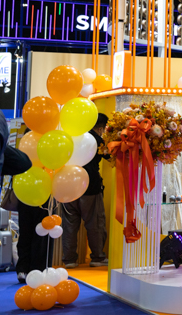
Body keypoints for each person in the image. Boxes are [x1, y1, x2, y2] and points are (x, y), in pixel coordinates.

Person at [62, 113, 109, 268]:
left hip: (67, 186)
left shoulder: (73, 136)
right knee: (95, 223)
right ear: (101, 128)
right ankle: (97, 257)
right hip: (90, 187)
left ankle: (69, 260)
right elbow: (111, 156)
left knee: (69, 225)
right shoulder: (97, 140)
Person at [14, 129, 48, 283]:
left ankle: (24, 269)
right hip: (39, 197)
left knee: (27, 233)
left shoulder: (22, 155)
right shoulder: (43, 153)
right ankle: (35, 269)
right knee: (37, 235)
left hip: (27, 197)